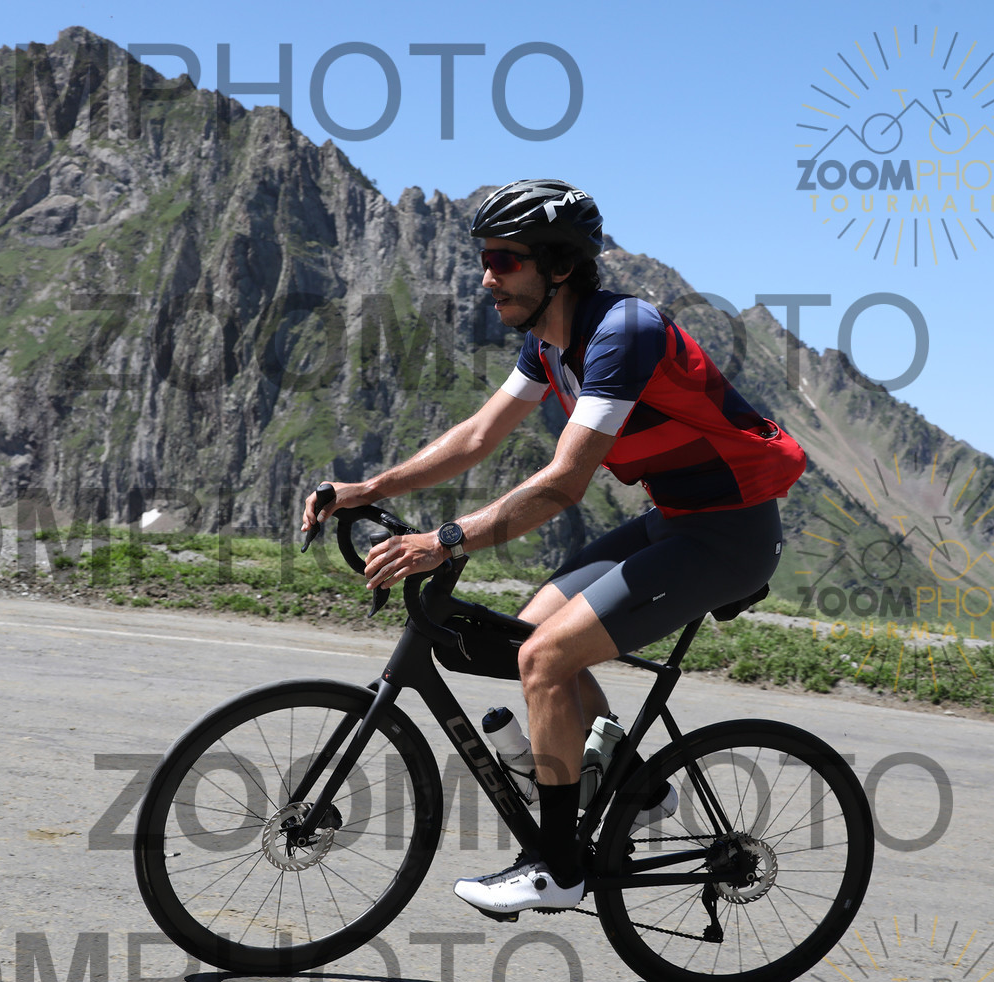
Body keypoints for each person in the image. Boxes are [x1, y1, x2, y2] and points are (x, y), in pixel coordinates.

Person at [301, 178, 806, 915]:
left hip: (729, 536)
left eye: (505, 260)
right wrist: (367, 487)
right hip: (675, 519)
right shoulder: (550, 344)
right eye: (485, 259)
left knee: (543, 658)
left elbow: (565, 482)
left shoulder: (622, 334)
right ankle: (636, 788)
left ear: (561, 266)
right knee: (525, 641)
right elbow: (477, 436)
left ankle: (557, 867)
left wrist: (446, 539)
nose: (487, 277)